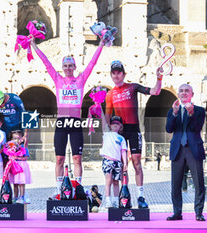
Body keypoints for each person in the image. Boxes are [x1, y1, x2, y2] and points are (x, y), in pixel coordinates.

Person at [30, 36, 105, 194]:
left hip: (76, 123)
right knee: (59, 159)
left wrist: (102, 44)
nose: (68, 68)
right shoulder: (57, 79)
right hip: (62, 123)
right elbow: (46, 63)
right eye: (65, 65)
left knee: (77, 158)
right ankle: (59, 190)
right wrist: (33, 45)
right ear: (62, 67)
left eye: (71, 65)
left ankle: (77, 188)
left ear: (75, 67)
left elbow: (92, 63)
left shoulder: (80, 80)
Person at [105, 60, 163, 208]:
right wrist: (107, 136)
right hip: (119, 133)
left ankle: (140, 197)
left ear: (124, 74)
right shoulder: (110, 94)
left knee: (137, 162)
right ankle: (123, 196)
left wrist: (159, 78)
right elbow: (107, 117)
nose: (116, 75)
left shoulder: (133, 87)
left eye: (119, 72)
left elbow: (155, 91)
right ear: (111, 75)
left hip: (134, 129)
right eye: (114, 72)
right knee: (122, 165)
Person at [165, 84, 206, 221]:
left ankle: (198, 213)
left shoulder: (200, 110)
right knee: (175, 184)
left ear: (192, 94)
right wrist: (175, 114)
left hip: (193, 149)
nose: (183, 93)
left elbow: (196, 127)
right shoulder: (172, 111)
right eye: (181, 91)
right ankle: (177, 212)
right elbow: (169, 129)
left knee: (199, 182)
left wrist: (191, 113)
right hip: (177, 150)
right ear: (178, 94)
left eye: (186, 91)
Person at [100, 115, 128, 208]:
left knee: (116, 182)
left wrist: (125, 163)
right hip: (108, 160)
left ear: (120, 126)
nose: (115, 125)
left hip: (117, 162)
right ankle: (108, 201)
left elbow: (123, 151)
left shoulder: (122, 138)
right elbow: (103, 121)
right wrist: (99, 107)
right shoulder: (107, 134)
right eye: (113, 124)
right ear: (110, 125)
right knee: (108, 181)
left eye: (118, 124)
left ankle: (116, 201)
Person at [8, 130, 32, 204]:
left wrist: (17, 158)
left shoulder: (23, 147)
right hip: (14, 165)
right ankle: (15, 197)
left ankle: (22, 197)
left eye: (18, 138)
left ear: (21, 138)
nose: (16, 140)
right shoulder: (10, 147)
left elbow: (25, 158)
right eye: (14, 138)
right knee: (15, 183)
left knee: (21, 183)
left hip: (21, 165)